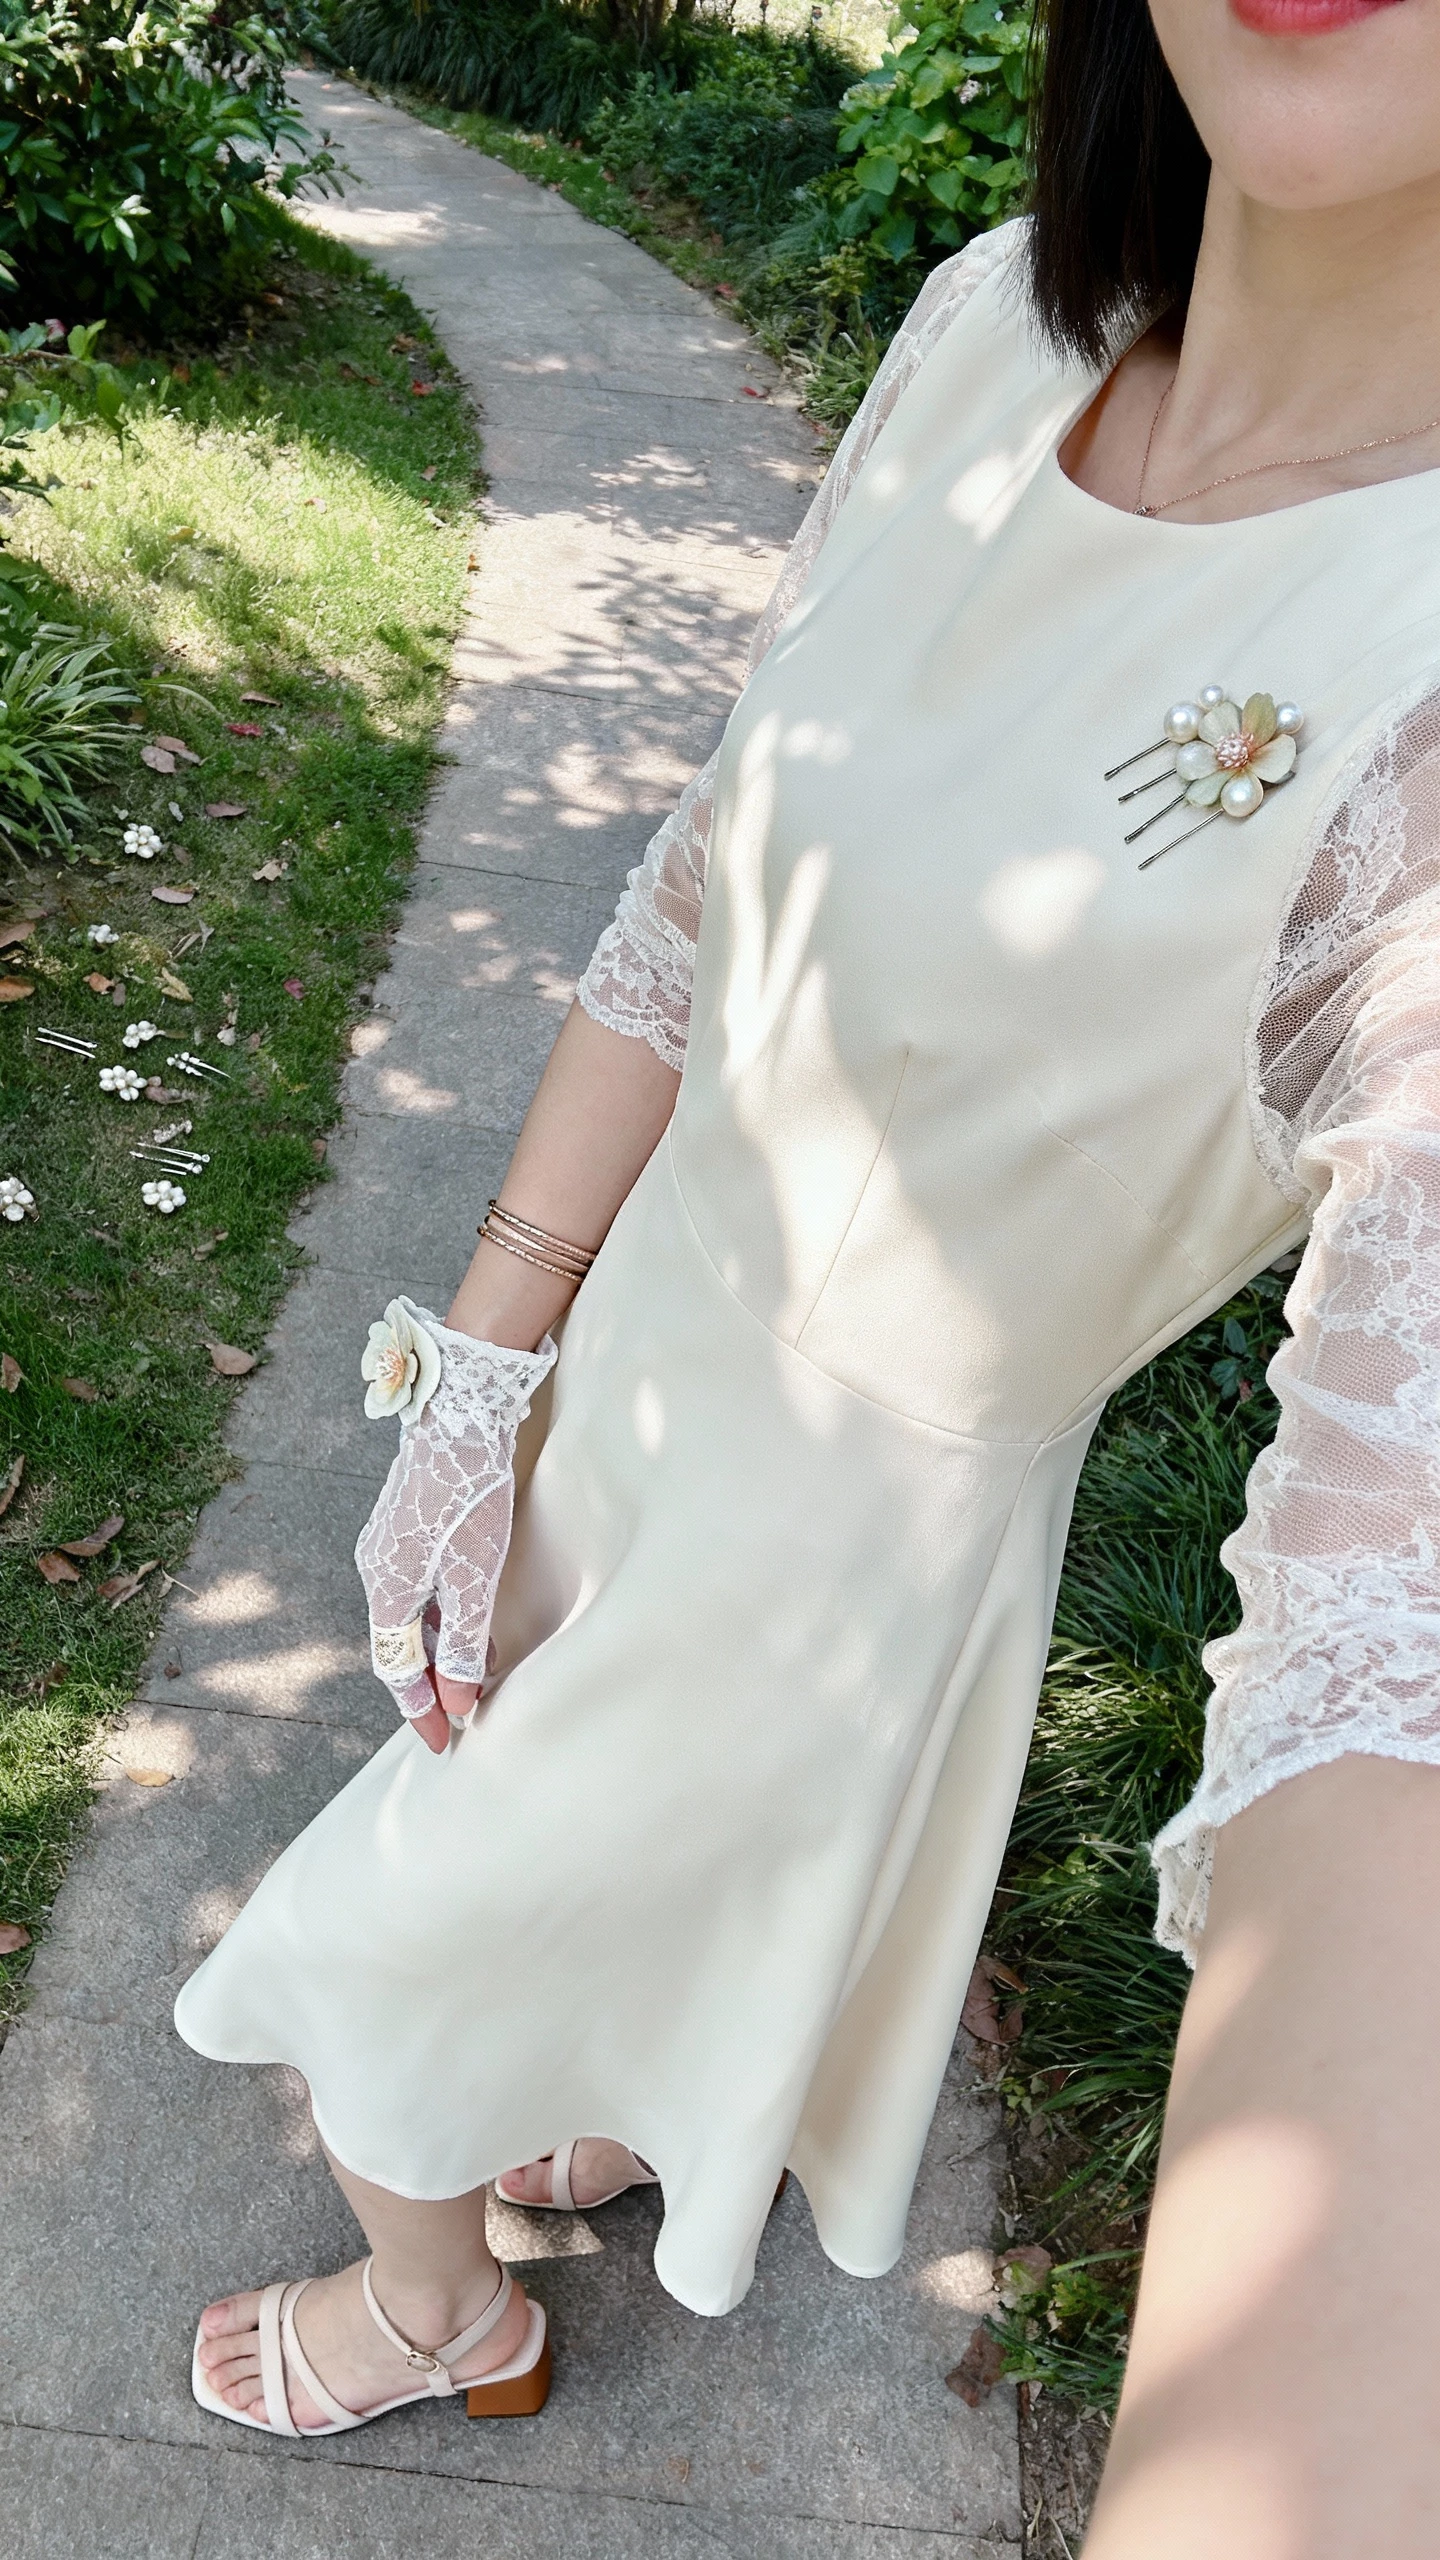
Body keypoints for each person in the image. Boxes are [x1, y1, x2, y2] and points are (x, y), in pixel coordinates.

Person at [179, 0, 1440, 2537]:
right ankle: (557, 2114)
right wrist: (492, 1343)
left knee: (385, 1932)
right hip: (643, 1351)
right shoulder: (994, 329)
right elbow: (701, 868)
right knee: (534, 1841)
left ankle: (441, 2305)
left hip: (845, 1534)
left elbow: (1394, 1594)